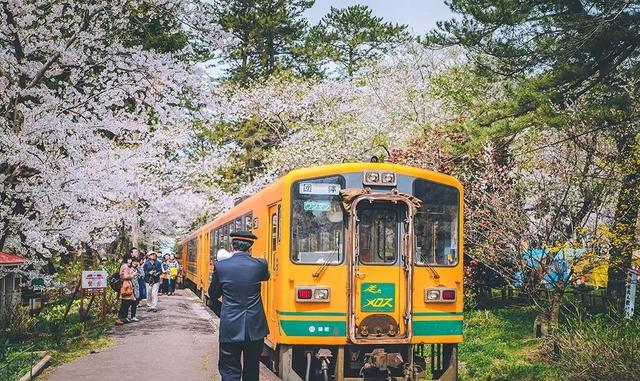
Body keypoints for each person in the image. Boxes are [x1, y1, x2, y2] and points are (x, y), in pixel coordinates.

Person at [209, 231, 269, 381]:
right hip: (255, 327)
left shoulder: (221, 266)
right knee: (252, 368)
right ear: (250, 247)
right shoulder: (261, 264)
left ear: (232, 246)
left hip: (230, 326)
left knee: (229, 369)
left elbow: (213, 294)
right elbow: (265, 277)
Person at [116, 255, 136, 325]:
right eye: (129, 259)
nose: (130, 260)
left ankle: (123, 317)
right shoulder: (125, 266)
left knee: (126, 302)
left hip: (127, 285)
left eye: (130, 259)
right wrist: (133, 274)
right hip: (126, 285)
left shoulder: (125, 266)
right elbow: (125, 276)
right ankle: (120, 317)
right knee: (125, 303)